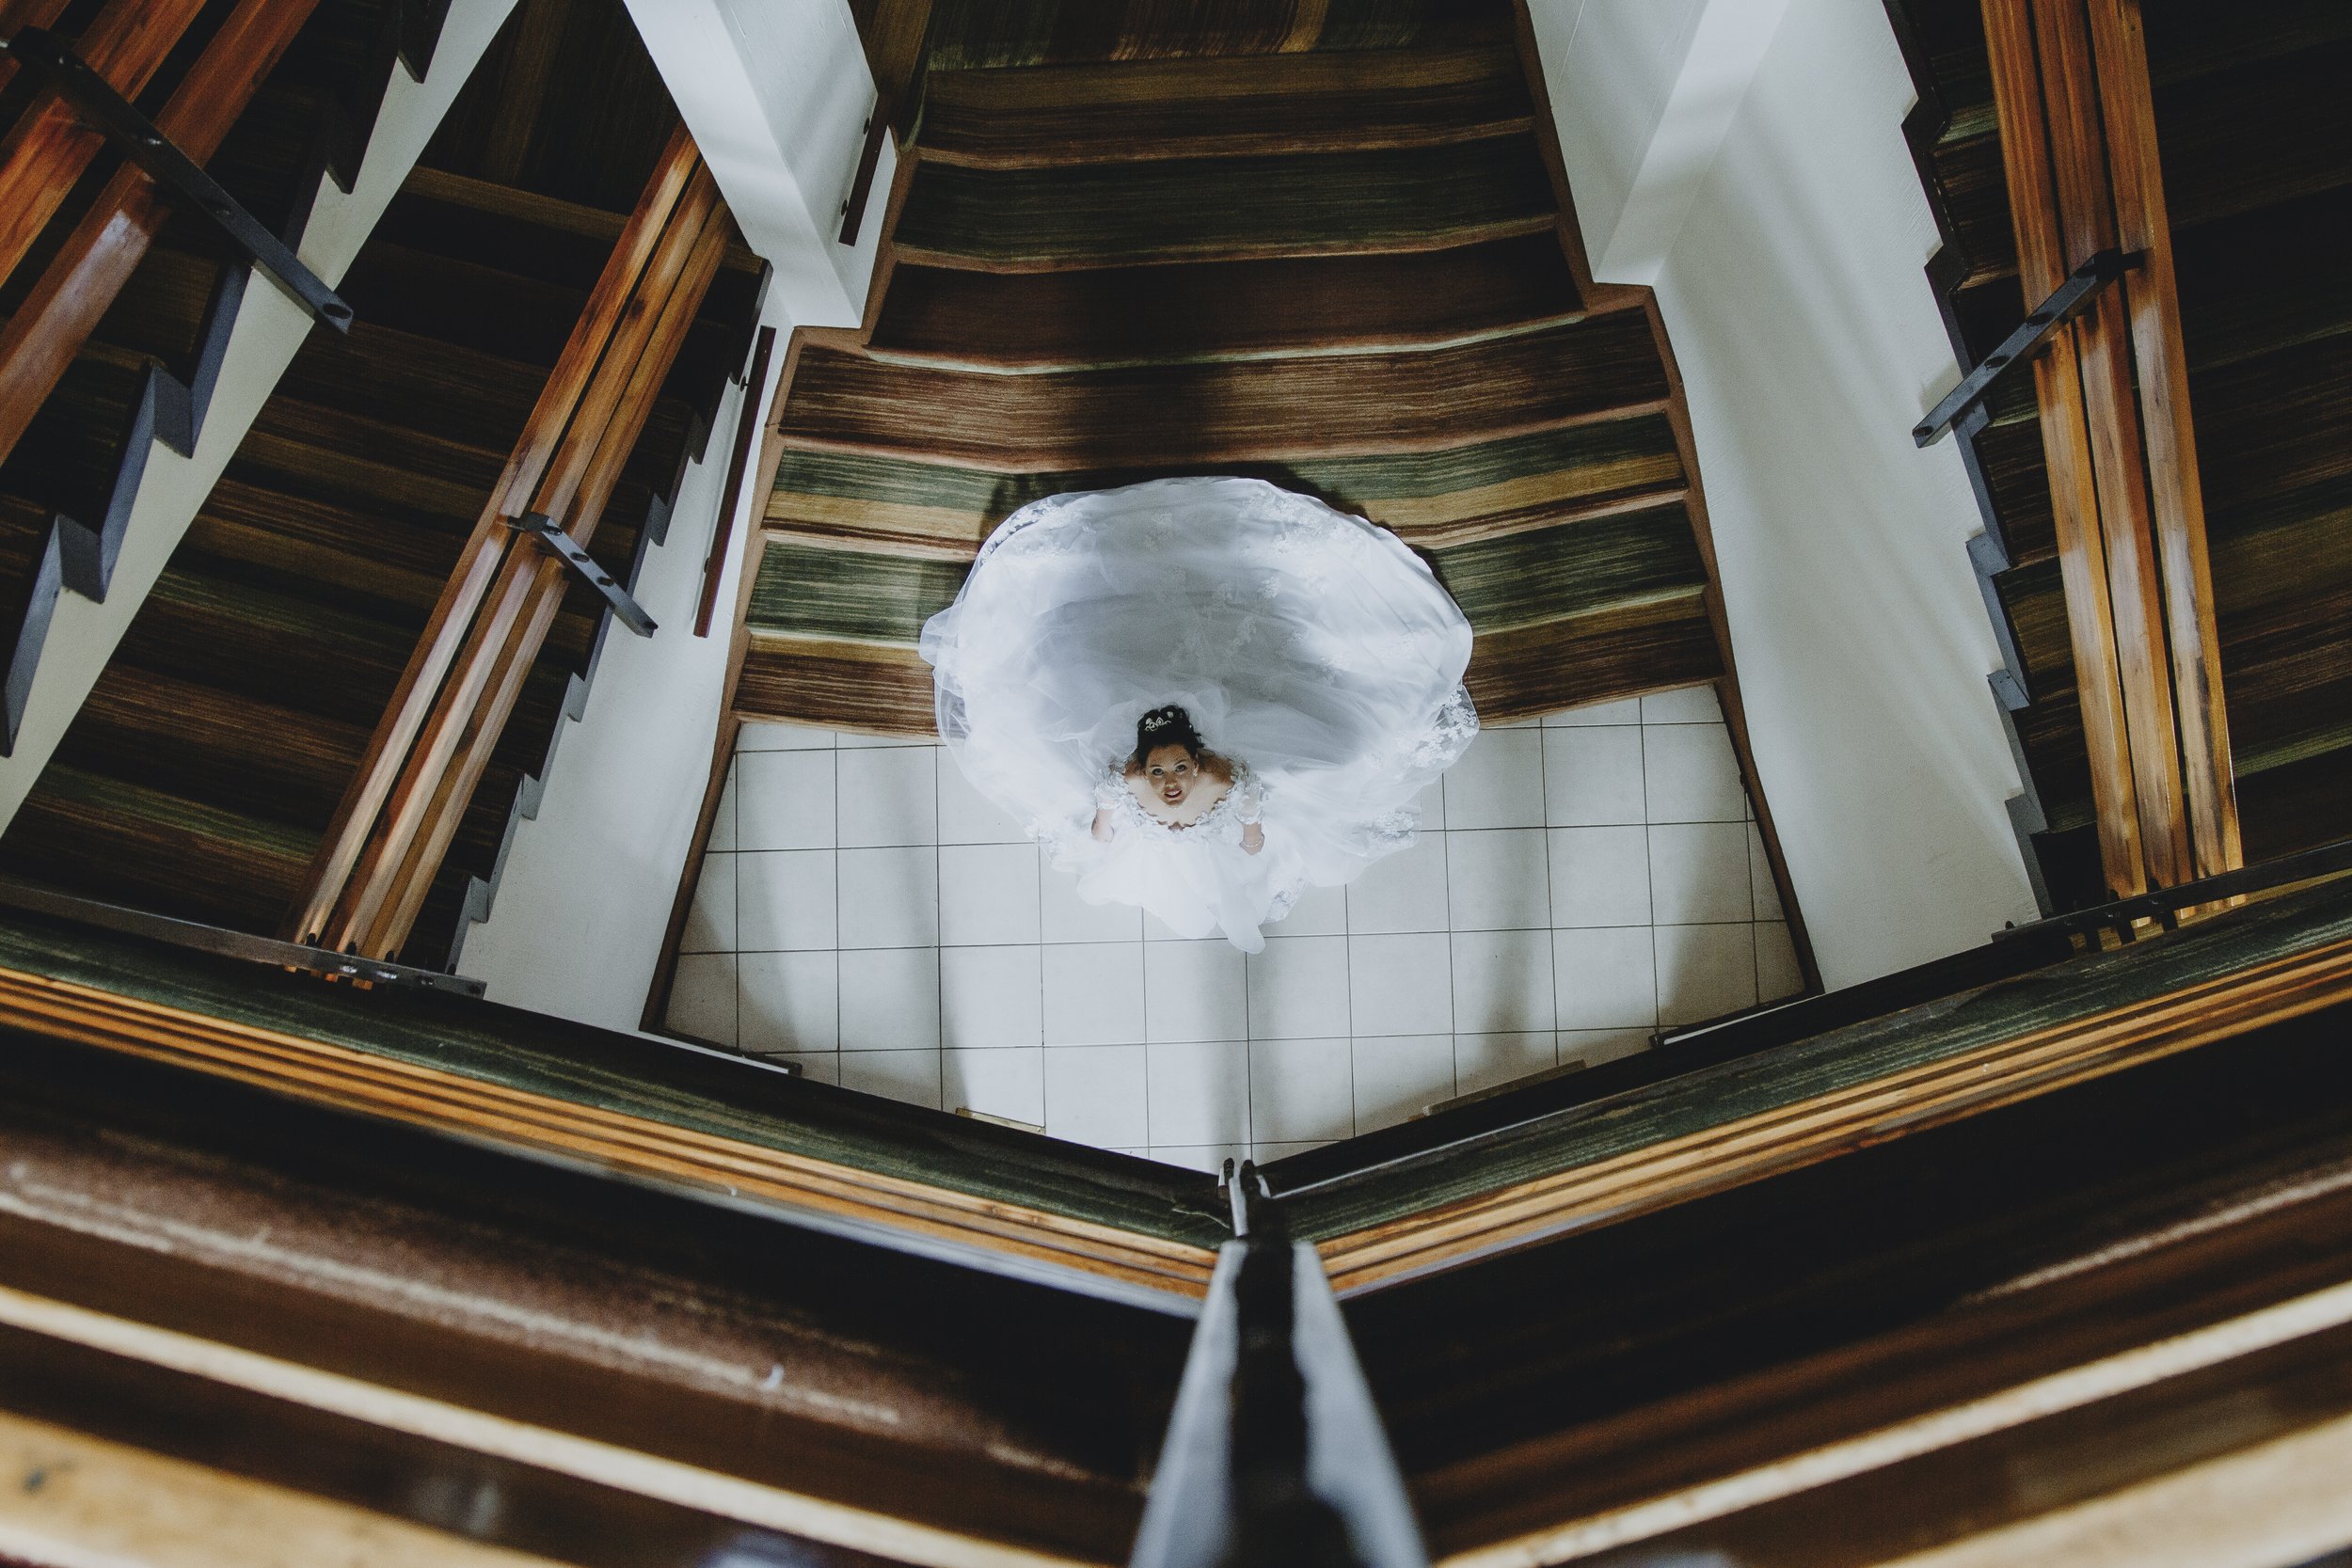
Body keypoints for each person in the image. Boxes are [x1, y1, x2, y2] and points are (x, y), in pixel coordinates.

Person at [920, 476, 1476, 952]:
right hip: (1167, 844)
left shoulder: (1222, 776)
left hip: (1212, 837)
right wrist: (1106, 830)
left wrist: (1250, 840)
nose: (1169, 784)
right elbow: (1105, 821)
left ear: (1197, 759)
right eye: (1161, 772)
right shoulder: (1130, 778)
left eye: (1177, 770)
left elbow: (1251, 825)